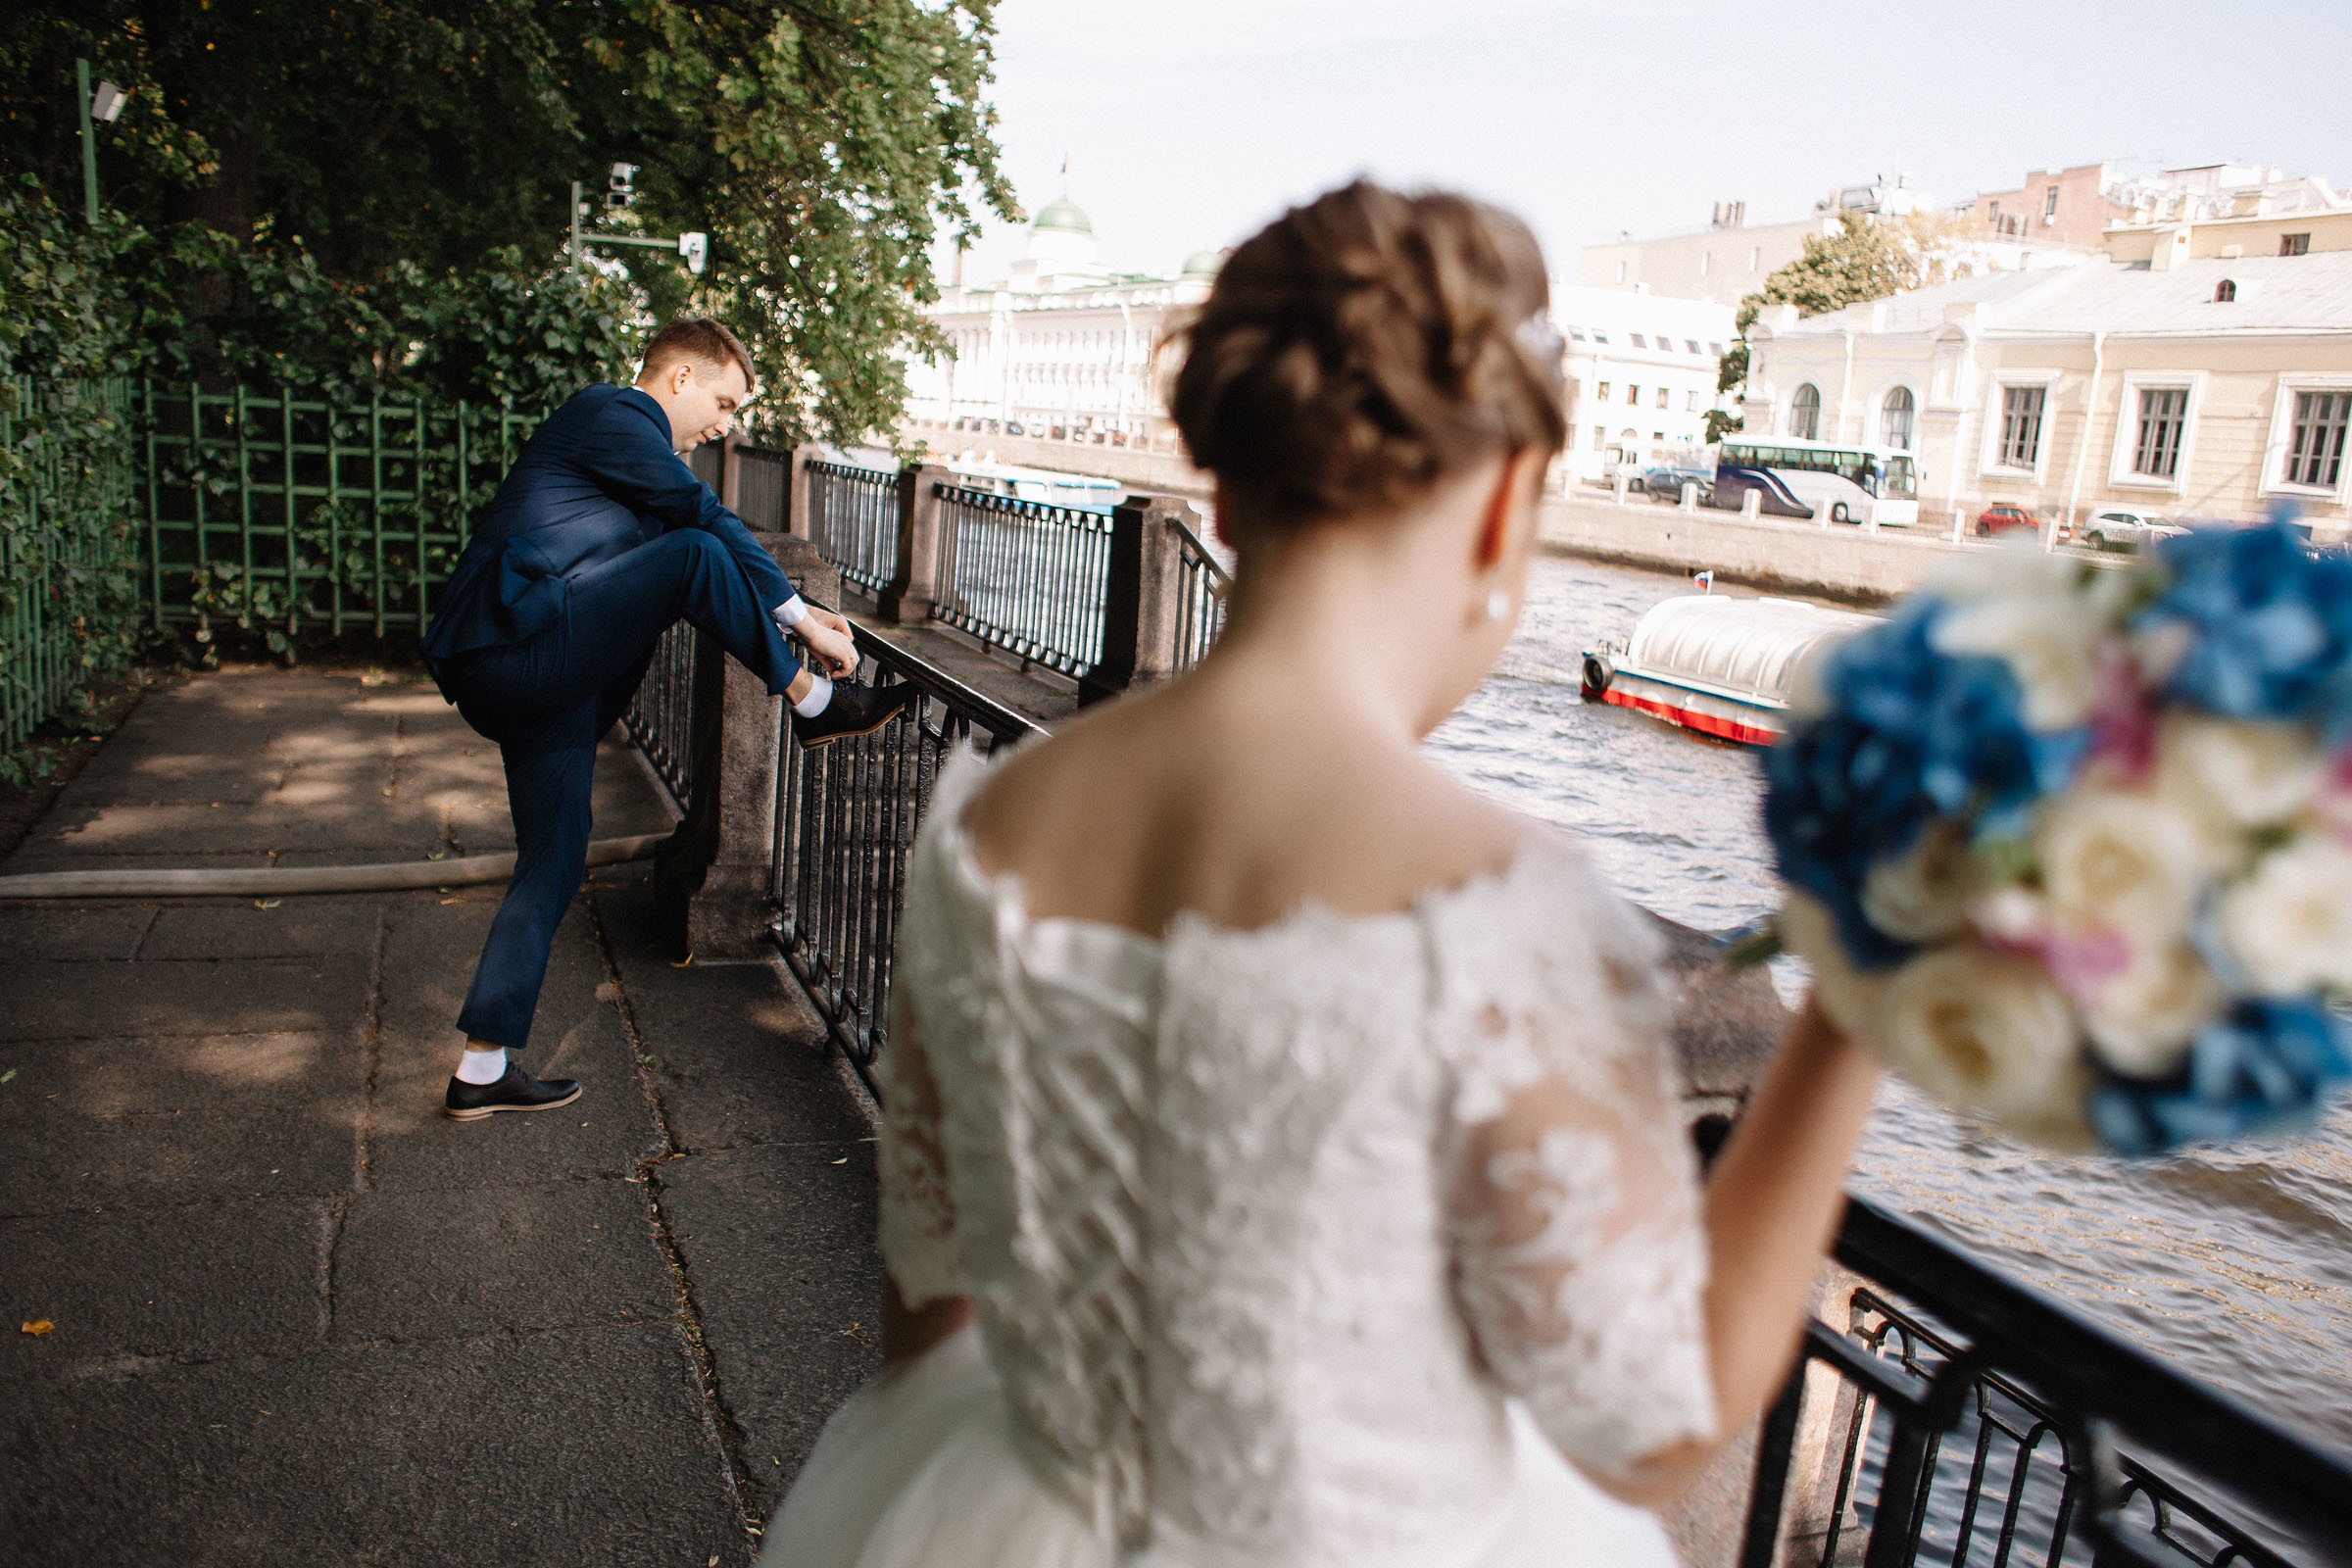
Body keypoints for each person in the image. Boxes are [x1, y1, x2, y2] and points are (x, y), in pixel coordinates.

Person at [760, 182, 1883, 1566]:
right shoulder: (1509, 907)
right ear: (1503, 511)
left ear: (1224, 491)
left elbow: (930, 1313)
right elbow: (1657, 1421)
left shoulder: (988, 826)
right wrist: (1856, 1014)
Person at [419, 318, 913, 1121]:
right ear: (679, 379)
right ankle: (814, 703)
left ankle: (482, 1066)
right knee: (693, 554)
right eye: (722, 401)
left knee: (553, 857)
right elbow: (704, 526)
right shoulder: (612, 414)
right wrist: (812, 627)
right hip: (514, 647)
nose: (725, 425)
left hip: (546, 671)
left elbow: (683, 539)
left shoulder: (635, 455)